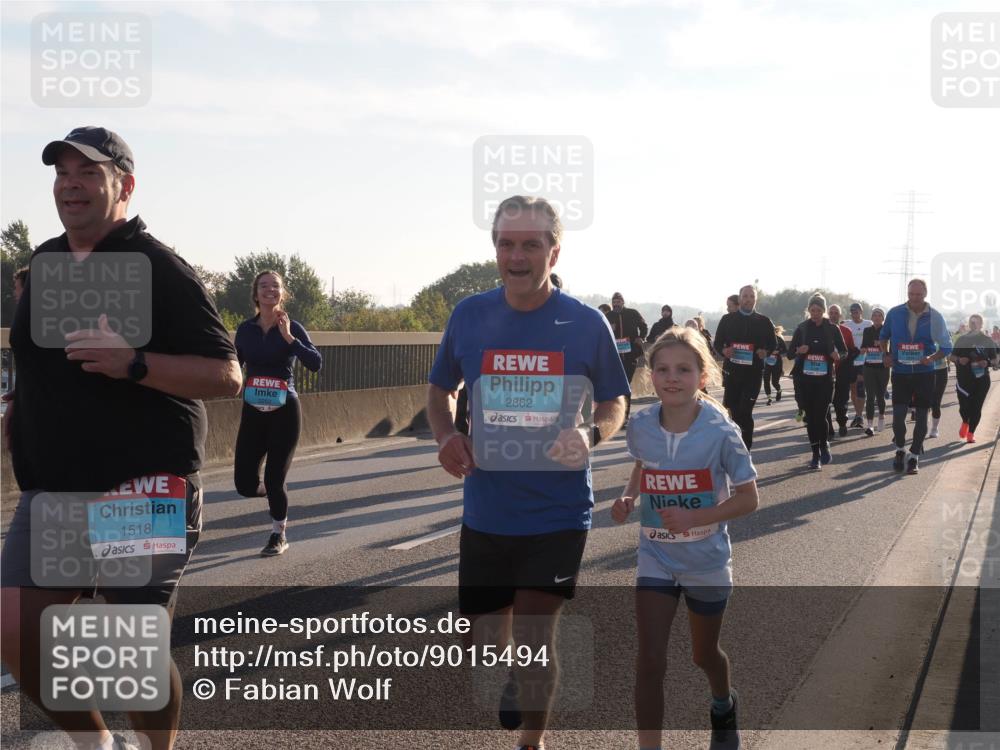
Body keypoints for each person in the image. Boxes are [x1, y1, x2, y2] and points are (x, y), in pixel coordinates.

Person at [0, 126, 242, 750]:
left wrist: (133, 362)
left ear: (124, 186)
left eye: (89, 173)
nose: (71, 185)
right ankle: (99, 744)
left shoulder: (158, 267)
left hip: (143, 482)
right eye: (62, 173)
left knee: (129, 648)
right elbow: (39, 359)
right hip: (55, 486)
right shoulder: (47, 262)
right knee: (17, 629)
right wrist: (19, 408)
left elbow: (226, 376)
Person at [427, 195, 629, 750]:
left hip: (557, 511)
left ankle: (531, 743)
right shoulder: (469, 315)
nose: (517, 256)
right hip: (487, 509)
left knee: (537, 637)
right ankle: (515, 668)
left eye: (530, 245)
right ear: (495, 249)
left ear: (554, 252)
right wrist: (446, 437)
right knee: (485, 643)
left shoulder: (586, 324)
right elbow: (440, 389)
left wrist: (590, 435)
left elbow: (615, 401)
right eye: (506, 244)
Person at [611, 327, 758, 750]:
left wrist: (697, 516)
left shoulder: (721, 431)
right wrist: (629, 497)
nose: (671, 378)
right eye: (662, 369)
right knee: (650, 660)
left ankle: (723, 705)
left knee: (704, 655)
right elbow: (644, 466)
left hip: (706, 560)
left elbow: (749, 499)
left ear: (702, 376)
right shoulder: (641, 424)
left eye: (683, 370)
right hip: (656, 555)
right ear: (650, 375)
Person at [233, 271, 322, 556]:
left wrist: (289, 338)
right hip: (253, 411)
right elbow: (235, 364)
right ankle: (271, 493)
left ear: (282, 293)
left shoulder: (293, 327)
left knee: (274, 478)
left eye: (275, 286)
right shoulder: (245, 329)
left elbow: (315, 363)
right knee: (244, 484)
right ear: (255, 293)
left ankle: (278, 534)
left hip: (285, 411)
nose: (270, 290)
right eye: (264, 286)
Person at [880, 279, 952, 475]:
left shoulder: (935, 316)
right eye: (911, 294)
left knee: (921, 417)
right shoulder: (895, 313)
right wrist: (885, 355)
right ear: (908, 293)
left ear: (925, 294)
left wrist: (932, 358)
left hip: (924, 373)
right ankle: (900, 449)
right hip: (900, 372)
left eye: (918, 295)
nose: (914, 298)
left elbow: (947, 346)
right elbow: (883, 336)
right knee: (898, 417)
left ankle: (914, 456)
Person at [713, 285, 777, 450]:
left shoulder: (764, 321)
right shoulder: (727, 319)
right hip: (732, 373)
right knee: (733, 412)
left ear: (756, 299)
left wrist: (765, 352)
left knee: (745, 411)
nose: (748, 299)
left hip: (753, 375)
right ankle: (735, 449)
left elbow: (773, 344)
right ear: (740, 298)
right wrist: (724, 351)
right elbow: (717, 343)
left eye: (751, 296)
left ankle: (746, 450)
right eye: (745, 296)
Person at [787, 294, 847, 469]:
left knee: (820, 416)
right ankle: (815, 454)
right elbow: (789, 354)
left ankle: (823, 445)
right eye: (812, 310)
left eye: (819, 310)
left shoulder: (832, 328)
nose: (815, 314)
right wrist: (799, 350)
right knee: (810, 418)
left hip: (824, 380)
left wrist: (838, 355)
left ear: (824, 311)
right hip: (804, 380)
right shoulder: (802, 328)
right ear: (808, 310)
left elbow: (844, 351)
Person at [950, 314, 998, 443]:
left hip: (981, 380)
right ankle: (965, 421)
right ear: (969, 324)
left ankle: (971, 433)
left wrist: (987, 363)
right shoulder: (962, 340)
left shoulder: (987, 341)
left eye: (977, 322)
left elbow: (995, 360)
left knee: (976, 407)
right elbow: (951, 357)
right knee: (964, 407)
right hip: (964, 380)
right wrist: (959, 360)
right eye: (972, 322)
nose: (974, 324)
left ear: (982, 324)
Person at [607, 292, 648, 421]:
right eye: (614, 302)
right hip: (614, 357)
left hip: (630, 356)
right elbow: (602, 331)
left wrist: (641, 337)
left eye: (618, 302)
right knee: (615, 385)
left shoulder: (632, 313)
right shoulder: (608, 316)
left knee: (625, 384)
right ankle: (615, 414)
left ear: (623, 302)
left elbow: (644, 326)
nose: (616, 304)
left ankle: (624, 416)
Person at [827, 305, 860, 438]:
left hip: (842, 369)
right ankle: (828, 429)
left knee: (840, 401)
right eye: (831, 313)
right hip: (825, 370)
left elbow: (851, 350)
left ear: (840, 316)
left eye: (836, 313)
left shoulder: (846, 331)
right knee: (825, 400)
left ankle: (842, 423)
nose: (833, 315)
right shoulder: (822, 329)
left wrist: (843, 359)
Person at [860, 307, 889, 436]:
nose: (877, 317)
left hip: (883, 367)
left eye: (879, 315)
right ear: (871, 318)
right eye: (875, 315)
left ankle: (881, 416)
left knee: (880, 396)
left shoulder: (887, 331)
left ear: (883, 318)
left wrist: (882, 345)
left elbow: (889, 348)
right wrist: (863, 349)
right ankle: (870, 425)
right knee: (870, 396)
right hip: (869, 366)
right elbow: (863, 346)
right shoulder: (867, 330)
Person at [843, 303, 873, 428]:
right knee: (853, 388)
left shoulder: (868, 324)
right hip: (851, 361)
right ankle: (858, 414)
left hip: (864, 360)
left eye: (856, 311)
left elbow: (874, 337)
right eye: (852, 311)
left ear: (861, 311)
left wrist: (867, 347)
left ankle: (860, 416)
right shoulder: (846, 325)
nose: (854, 313)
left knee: (861, 387)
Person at [762, 324, 788, 405]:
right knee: (766, 380)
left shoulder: (779, 339)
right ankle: (769, 398)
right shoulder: (764, 339)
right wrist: (766, 352)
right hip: (767, 362)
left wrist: (778, 351)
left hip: (777, 362)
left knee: (774, 382)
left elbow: (785, 350)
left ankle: (779, 391)